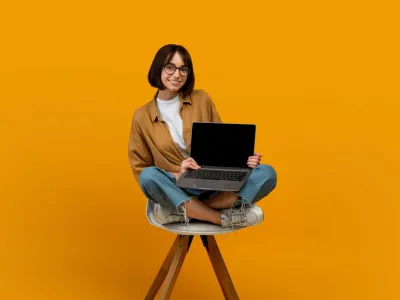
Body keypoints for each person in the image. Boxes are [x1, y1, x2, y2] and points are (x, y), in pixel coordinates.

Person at [128, 44, 277, 228]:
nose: (177, 74)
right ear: (158, 68)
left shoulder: (201, 99)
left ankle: (188, 211)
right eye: (170, 67)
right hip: (177, 187)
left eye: (183, 69)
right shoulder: (141, 116)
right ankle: (218, 217)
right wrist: (177, 174)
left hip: (213, 186)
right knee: (149, 176)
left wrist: (243, 162)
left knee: (267, 173)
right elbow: (141, 168)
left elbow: (223, 144)